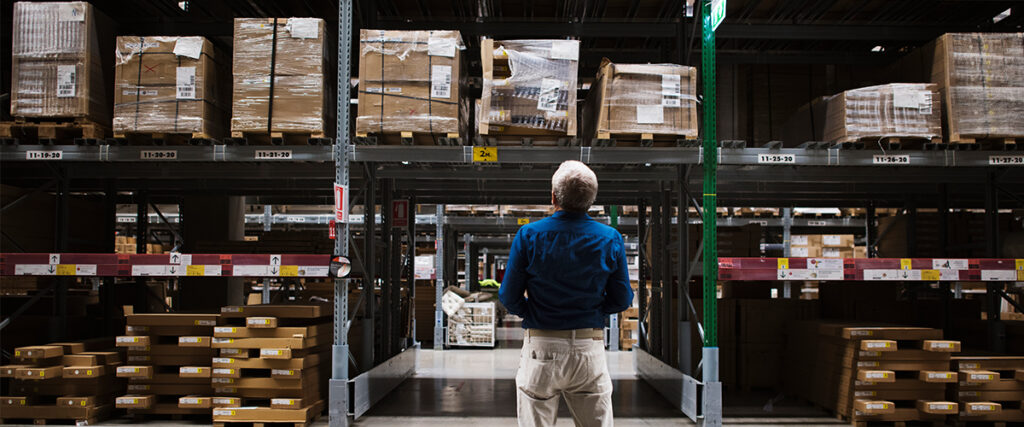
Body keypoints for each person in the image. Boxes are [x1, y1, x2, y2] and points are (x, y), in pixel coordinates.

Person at [499, 160, 634, 427]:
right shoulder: (610, 238)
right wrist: (593, 312)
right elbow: (622, 299)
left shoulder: (528, 235)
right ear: (592, 200)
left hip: (541, 348)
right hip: (588, 349)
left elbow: (508, 295)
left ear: (552, 197)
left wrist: (533, 313)